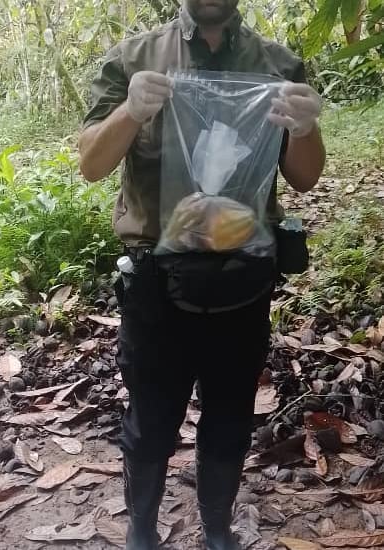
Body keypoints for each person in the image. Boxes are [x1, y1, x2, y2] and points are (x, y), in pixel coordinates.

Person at [79, 1, 326, 548]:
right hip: (156, 280)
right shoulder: (135, 57)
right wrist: (131, 111)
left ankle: (216, 529)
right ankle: (141, 529)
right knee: (151, 419)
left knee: (231, 417)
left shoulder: (277, 65)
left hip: (244, 276)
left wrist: (306, 127)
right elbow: (91, 164)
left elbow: (305, 178)